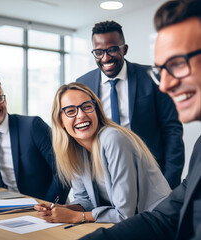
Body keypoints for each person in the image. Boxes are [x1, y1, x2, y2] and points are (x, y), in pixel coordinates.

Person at [81, 0, 201, 239]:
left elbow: (171, 132)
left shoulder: (146, 80)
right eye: (161, 70)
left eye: (177, 63)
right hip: (111, 188)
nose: (165, 84)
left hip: (153, 182)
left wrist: (166, 185)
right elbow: (162, 219)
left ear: (124, 49)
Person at [34, 82, 171, 224]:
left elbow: (124, 214)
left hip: (160, 222)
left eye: (87, 107)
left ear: (97, 111)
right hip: (134, 225)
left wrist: (74, 217)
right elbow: (87, 201)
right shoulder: (75, 150)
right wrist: (63, 209)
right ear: (60, 121)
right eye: (70, 111)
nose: (81, 115)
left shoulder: (113, 139)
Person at [76, 20, 184, 189]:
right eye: (98, 52)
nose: (105, 58)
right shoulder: (83, 84)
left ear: (124, 49)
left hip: (151, 177)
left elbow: (172, 131)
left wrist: (169, 182)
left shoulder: (152, 78)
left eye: (112, 50)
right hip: (105, 180)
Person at [0, 77, 68, 202]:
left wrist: (50, 204)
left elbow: (64, 170)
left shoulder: (33, 126)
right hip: (5, 203)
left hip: (43, 204)